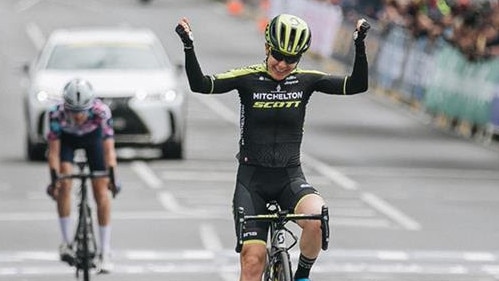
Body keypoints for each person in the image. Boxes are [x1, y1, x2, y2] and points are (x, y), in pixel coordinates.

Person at [176, 13, 370, 281]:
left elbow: (357, 85)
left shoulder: (306, 80)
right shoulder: (248, 77)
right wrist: (188, 46)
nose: (283, 64)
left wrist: (359, 45)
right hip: (252, 182)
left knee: (317, 218)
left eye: (291, 59)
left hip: (289, 178)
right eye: (278, 55)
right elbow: (201, 85)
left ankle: (301, 276)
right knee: (253, 262)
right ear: (267, 47)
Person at [46, 78, 120, 273]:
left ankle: (105, 252)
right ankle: (66, 242)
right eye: (73, 111)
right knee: (65, 182)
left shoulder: (100, 112)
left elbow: (109, 150)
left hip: (93, 139)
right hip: (68, 141)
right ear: (66, 107)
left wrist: (112, 177)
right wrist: (55, 181)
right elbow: (53, 152)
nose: (78, 117)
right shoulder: (56, 113)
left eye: (82, 112)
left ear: (90, 106)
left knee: (101, 191)